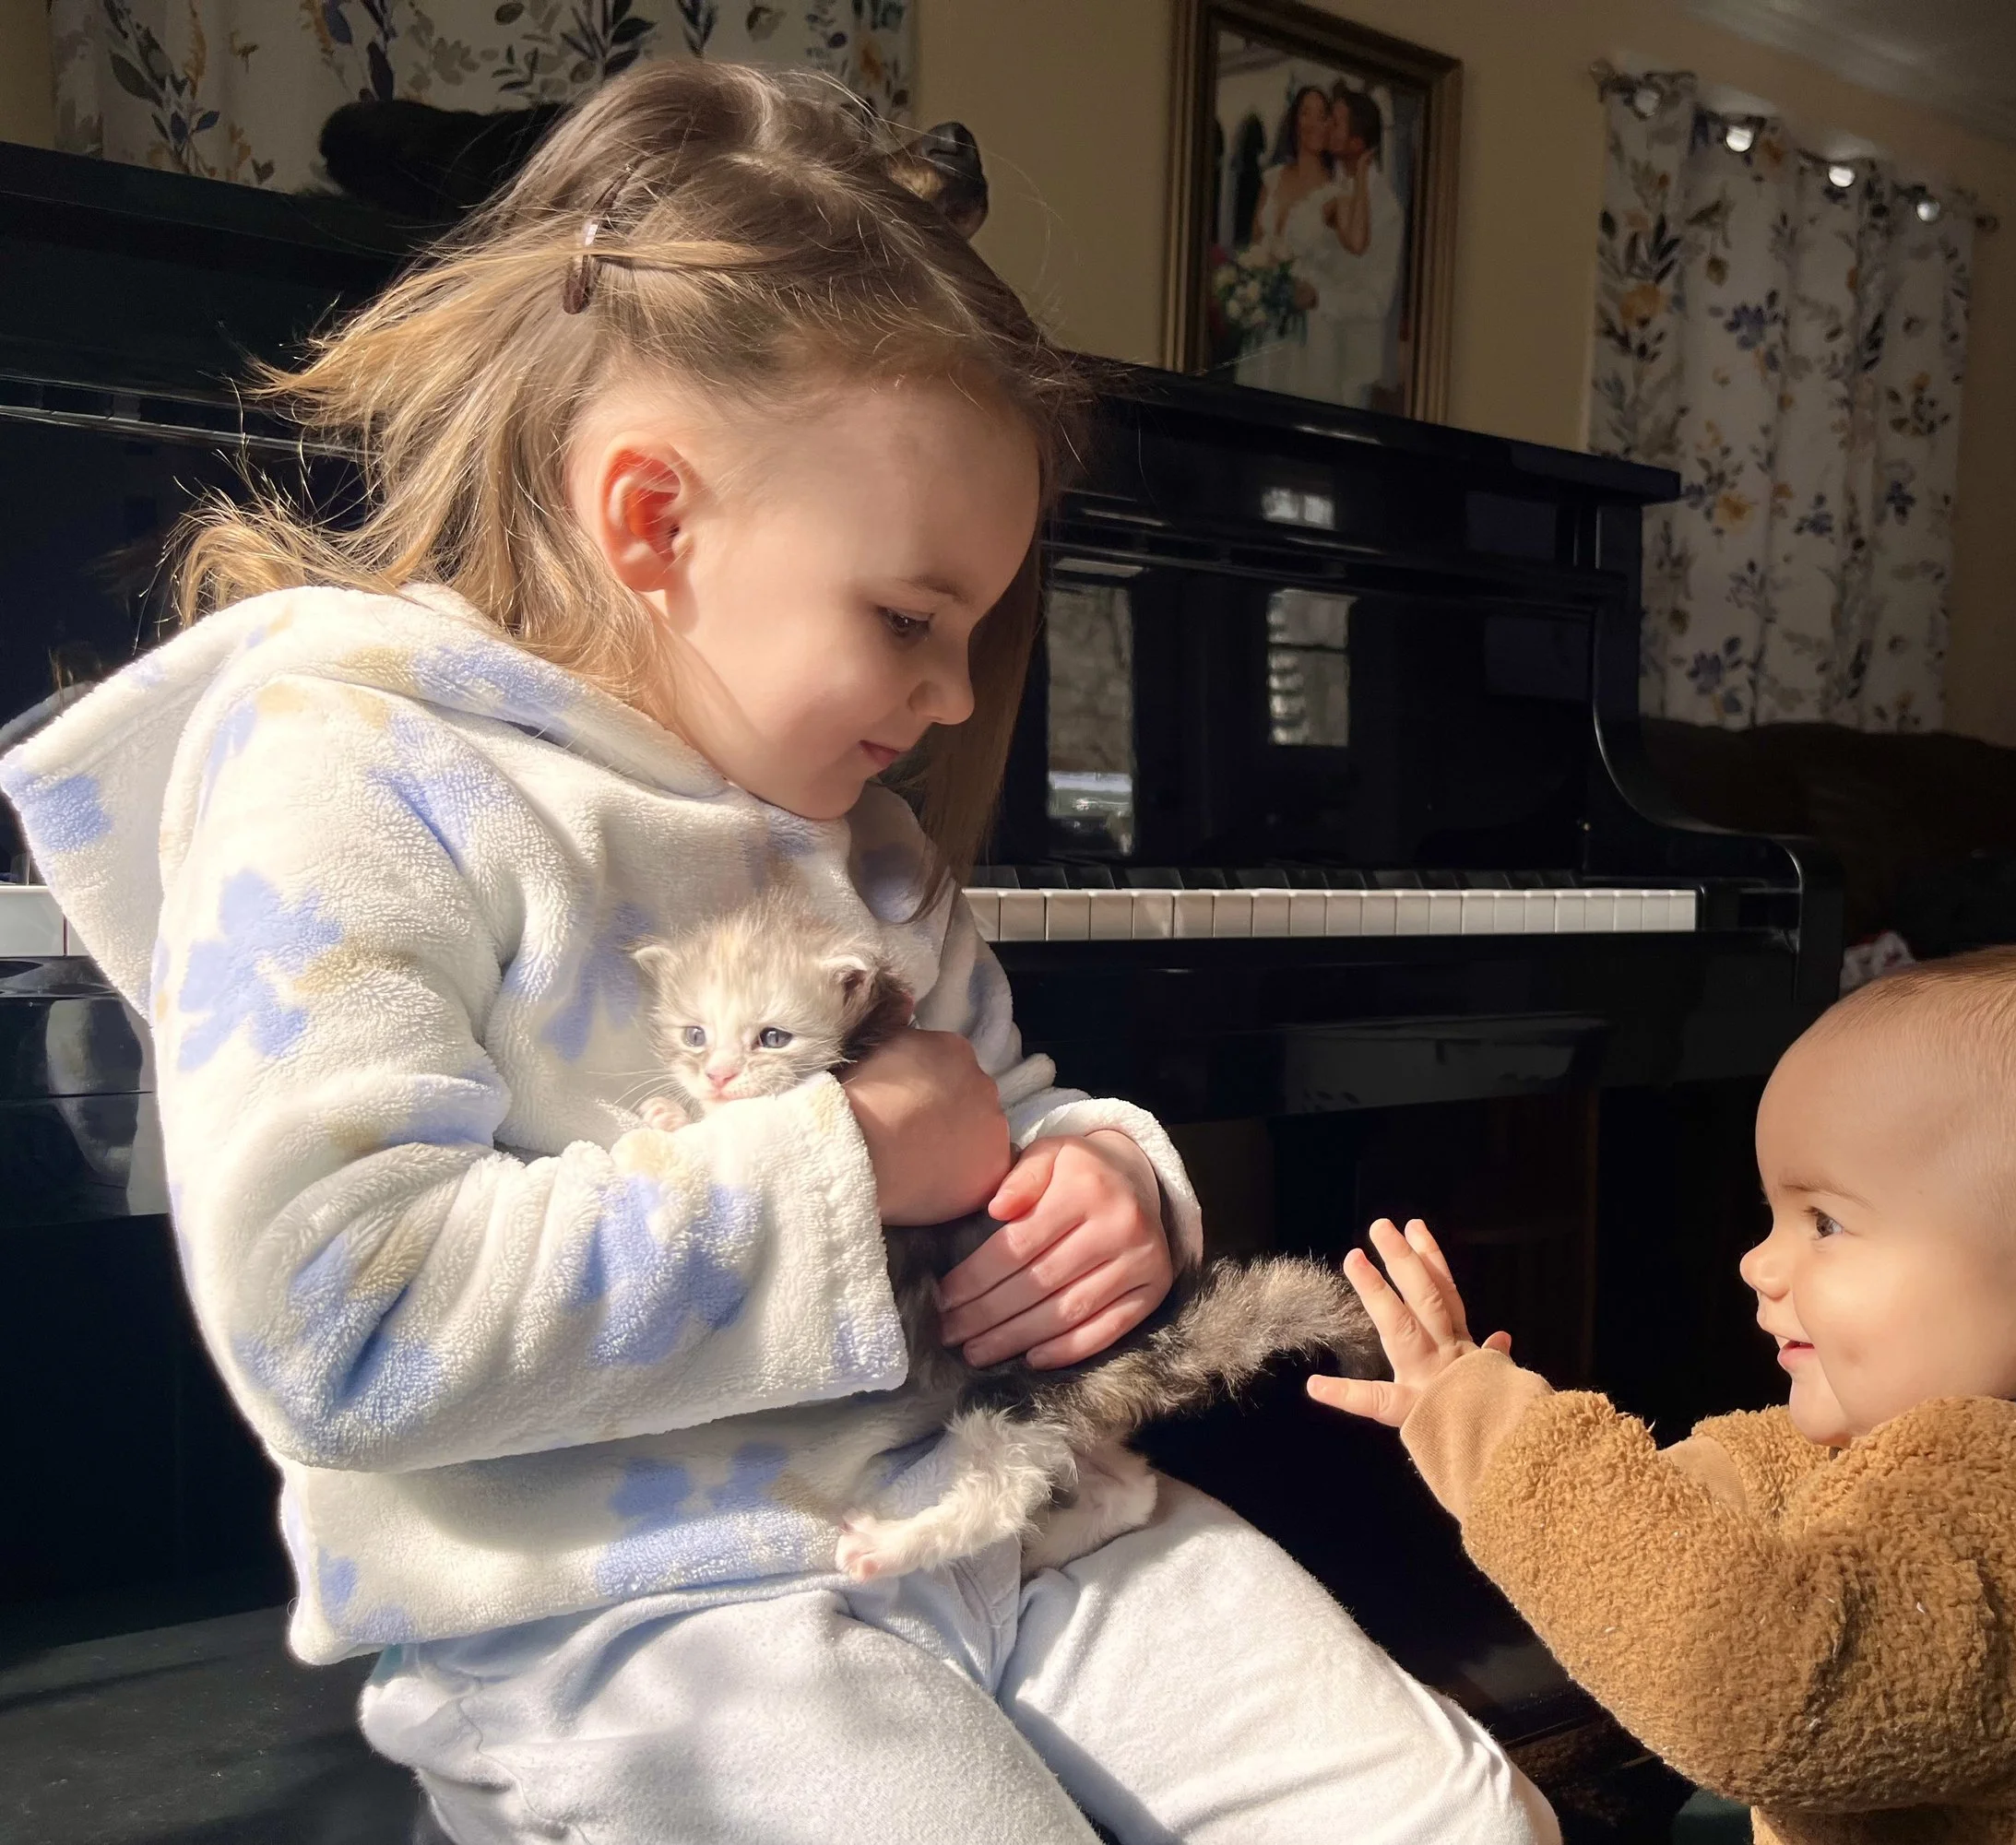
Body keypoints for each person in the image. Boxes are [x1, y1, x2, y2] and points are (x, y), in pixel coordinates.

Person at [0, 66, 1556, 1845]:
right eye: (907, 620)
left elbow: (1012, 1113)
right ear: (655, 521)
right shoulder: (355, 773)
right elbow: (336, 1324)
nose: (961, 697)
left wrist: (1107, 1184)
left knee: (1459, 1820)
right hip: (638, 1606)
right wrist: (845, 1168)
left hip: (999, 1512)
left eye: (973, 631)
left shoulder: (852, 835)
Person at [1314, 941, 2016, 1842]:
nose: (1756, 1262)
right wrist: (1533, 1468)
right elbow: (1786, 1467)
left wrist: (1507, 1442)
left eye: (1824, 1222)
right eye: (1772, 1216)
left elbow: (1741, 1683)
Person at [1299, 84, 1405, 411]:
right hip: (1306, 348)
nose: (1327, 125)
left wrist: (1319, 299)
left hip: (1348, 365)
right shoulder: (1326, 184)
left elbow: (1376, 301)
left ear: (1357, 143)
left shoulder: (1385, 208)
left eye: (1337, 121)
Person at [1231, 84, 1336, 397]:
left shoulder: (1337, 194)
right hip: (1264, 325)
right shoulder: (1273, 178)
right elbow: (1255, 246)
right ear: (1294, 121)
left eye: (1322, 115)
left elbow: (1342, 269)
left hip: (1307, 328)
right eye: (1306, 113)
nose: (1313, 123)